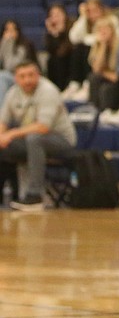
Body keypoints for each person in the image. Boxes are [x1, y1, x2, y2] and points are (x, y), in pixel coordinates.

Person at [0, 61, 76, 212]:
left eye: (31, 75)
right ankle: (10, 193)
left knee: (35, 138)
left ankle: (35, 196)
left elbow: (42, 127)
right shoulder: (13, 93)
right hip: (30, 142)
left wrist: (11, 134)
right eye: (22, 76)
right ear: (16, 78)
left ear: (38, 75)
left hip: (61, 141)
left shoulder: (48, 91)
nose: (27, 80)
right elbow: (3, 122)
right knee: (5, 143)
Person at [0, 20, 37, 102]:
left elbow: (10, 67)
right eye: (7, 30)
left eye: (12, 30)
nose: (10, 33)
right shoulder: (2, 44)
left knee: (1, 77)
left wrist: (9, 43)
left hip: (21, 77)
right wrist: (3, 44)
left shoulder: (23, 46)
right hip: (6, 78)